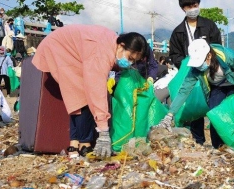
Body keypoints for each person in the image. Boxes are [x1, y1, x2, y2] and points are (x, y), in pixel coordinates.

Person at [32, 25, 148, 158]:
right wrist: (104, 131)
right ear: (121, 45)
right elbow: (96, 91)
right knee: (83, 97)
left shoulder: (111, 45)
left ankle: (74, 145)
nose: (129, 63)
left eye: (134, 61)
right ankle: (84, 145)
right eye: (130, 58)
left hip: (60, 46)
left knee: (78, 96)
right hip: (59, 49)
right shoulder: (101, 54)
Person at [155, 39, 234, 149]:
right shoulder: (195, 70)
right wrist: (170, 115)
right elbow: (184, 91)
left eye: (200, 62)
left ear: (209, 56)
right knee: (215, 116)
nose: (199, 67)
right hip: (216, 88)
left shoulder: (226, 55)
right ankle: (219, 147)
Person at [169, 0, 222, 145]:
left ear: (199, 5)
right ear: (183, 9)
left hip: (210, 71)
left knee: (214, 105)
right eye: (189, 6)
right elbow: (174, 54)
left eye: (195, 5)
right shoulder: (178, 32)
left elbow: (217, 47)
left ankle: (217, 143)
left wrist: (209, 63)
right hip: (191, 72)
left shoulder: (209, 26)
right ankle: (198, 140)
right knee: (195, 105)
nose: (193, 9)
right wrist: (187, 64)